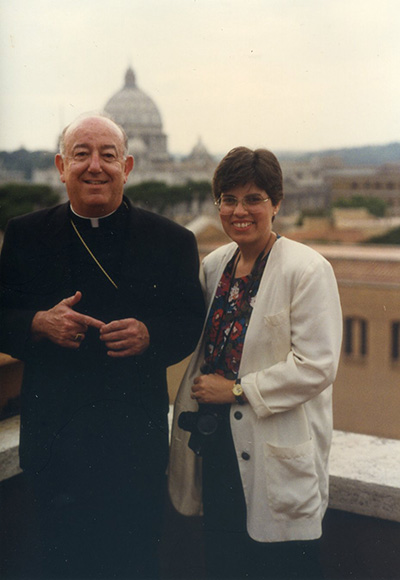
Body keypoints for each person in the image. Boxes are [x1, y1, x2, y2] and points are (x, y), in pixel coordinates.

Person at [0, 113, 205, 579]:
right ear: (60, 165)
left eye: (108, 155)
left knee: (134, 563)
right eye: (81, 154)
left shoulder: (173, 240)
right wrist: (37, 322)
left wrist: (150, 335)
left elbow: (190, 320)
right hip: (54, 440)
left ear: (128, 166)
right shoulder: (25, 234)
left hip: (132, 443)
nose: (95, 166)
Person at [169, 146, 343, 579]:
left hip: (275, 453)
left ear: (277, 203)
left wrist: (237, 389)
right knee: (225, 563)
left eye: (253, 199)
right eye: (228, 199)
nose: (239, 211)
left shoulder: (307, 269)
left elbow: (317, 365)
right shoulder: (214, 265)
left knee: (282, 567)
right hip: (219, 449)